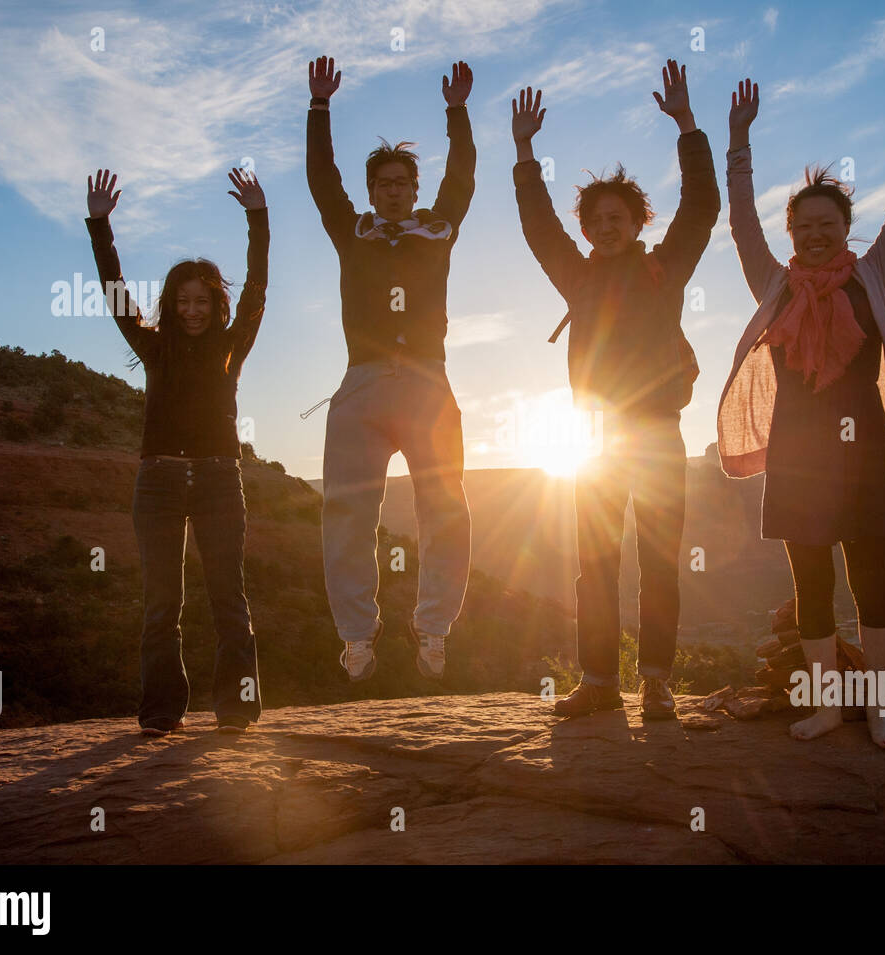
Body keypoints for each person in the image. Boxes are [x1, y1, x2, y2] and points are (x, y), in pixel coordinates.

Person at [716, 66, 885, 749]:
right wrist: (738, 140)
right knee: (811, 584)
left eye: (827, 225)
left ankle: (880, 707)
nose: (815, 236)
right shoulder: (773, 282)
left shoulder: (874, 272)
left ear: (847, 228)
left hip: (861, 453)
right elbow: (739, 219)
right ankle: (829, 705)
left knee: (872, 579)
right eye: (804, 226)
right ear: (792, 230)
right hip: (797, 455)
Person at [512, 59, 720, 719]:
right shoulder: (577, 276)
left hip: (657, 433)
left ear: (636, 220)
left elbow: (703, 205)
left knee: (659, 564)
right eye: (595, 218)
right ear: (587, 228)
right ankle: (599, 681)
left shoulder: (664, 269)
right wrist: (523, 153)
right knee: (594, 566)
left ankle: (655, 680)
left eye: (617, 215)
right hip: (595, 440)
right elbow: (537, 227)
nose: (605, 224)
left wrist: (687, 124)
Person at [305, 56, 475, 683]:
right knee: (347, 514)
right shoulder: (353, 233)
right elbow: (321, 180)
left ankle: (432, 629)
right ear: (373, 191)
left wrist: (457, 113)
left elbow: (464, 176)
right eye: (384, 184)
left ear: (414, 188)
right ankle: (356, 636)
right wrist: (319, 107)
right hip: (364, 382)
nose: (395, 191)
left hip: (429, 382)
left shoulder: (439, 230)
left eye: (404, 182)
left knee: (446, 507)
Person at [85, 166, 269, 736]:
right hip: (159, 481)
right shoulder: (152, 345)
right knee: (162, 604)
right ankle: (163, 712)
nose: (192, 309)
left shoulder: (233, 346)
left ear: (217, 305)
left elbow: (258, 288)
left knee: (227, 599)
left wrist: (258, 218)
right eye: (181, 300)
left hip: (218, 479)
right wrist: (99, 226)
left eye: (202, 300)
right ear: (169, 304)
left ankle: (237, 709)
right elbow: (115, 291)